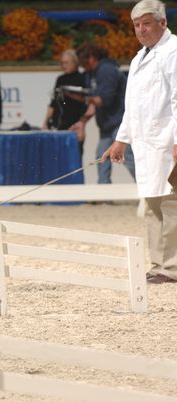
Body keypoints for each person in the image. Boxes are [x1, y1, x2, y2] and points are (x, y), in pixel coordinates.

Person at [103, 0, 177, 284]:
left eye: (147, 23)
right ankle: (159, 264)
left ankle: (172, 267)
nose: (142, 29)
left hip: (168, 141)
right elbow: (131, 106)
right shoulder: (138, 58)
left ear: (162, 23)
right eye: (137, 25)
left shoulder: (173, 52)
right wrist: (121, 140)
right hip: (147, 146)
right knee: (152, 205)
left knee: (171, 204)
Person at [71, 43, 135, 183]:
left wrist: (80, 97)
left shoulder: (107, 70)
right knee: (101, 157)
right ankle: (104, 193)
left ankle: (147, 189)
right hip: (107, 126)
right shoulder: (91, 73)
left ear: (92, 58)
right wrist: (82, 121)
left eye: (82, 62)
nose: (81, 66)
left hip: (120, 123)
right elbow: (94, 104)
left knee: (127, 157)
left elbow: (103, 100)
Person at [42, 49, 87, 157]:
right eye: (62, 63)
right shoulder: (60, 79)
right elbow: (53, 102)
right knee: (57, 159)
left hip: (74, 127)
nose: (64, 65)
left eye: (66, 63)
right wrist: (45, 122)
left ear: (75, 62)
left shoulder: (82, 78)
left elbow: (86, 101)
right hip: (58, 126)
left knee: (74, 160)